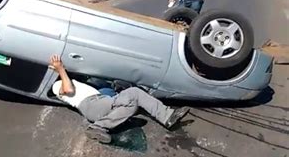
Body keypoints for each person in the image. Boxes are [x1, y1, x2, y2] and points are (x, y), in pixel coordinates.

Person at [48, 55, 190, 144]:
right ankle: (167, 116)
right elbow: (69, 90)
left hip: (97, 105)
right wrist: (60, 69)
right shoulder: (57, 85)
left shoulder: (74, 80)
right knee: (134, 93)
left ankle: (98, 127)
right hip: (91, 104)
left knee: (133, 106)